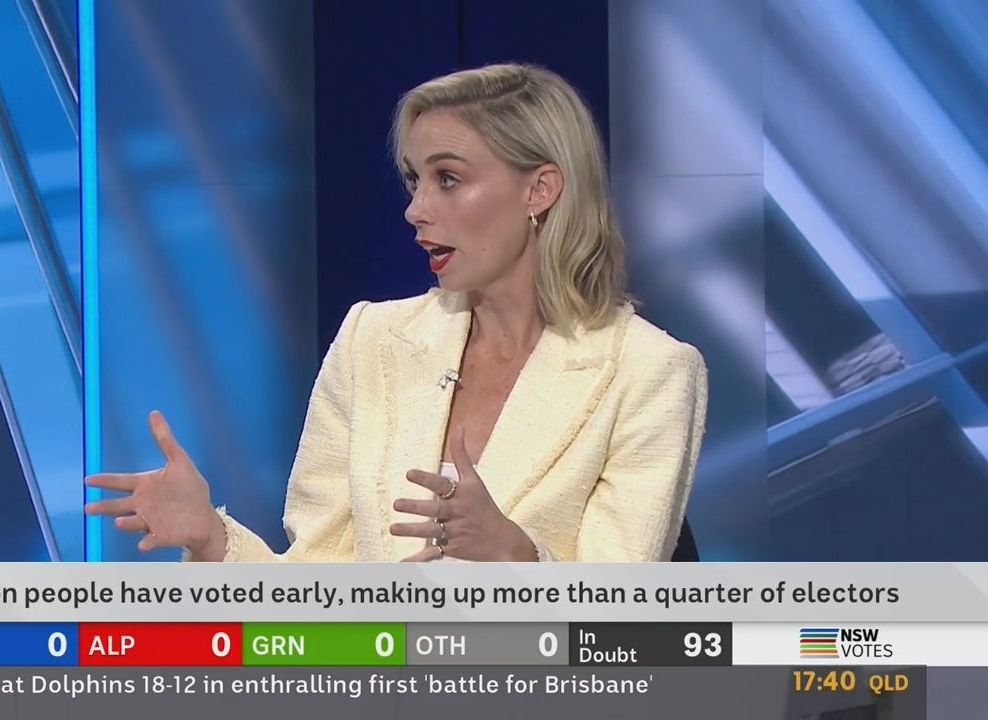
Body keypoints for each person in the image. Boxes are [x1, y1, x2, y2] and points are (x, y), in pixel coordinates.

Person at [85, 63, 708, 562]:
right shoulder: (372, 340)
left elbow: (622, 621)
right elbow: (320, 587)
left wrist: (516, 558)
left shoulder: (648, 372)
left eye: (448, 179)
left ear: (539, 189)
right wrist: (213, 541)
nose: (415, 209)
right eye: (414, 180)